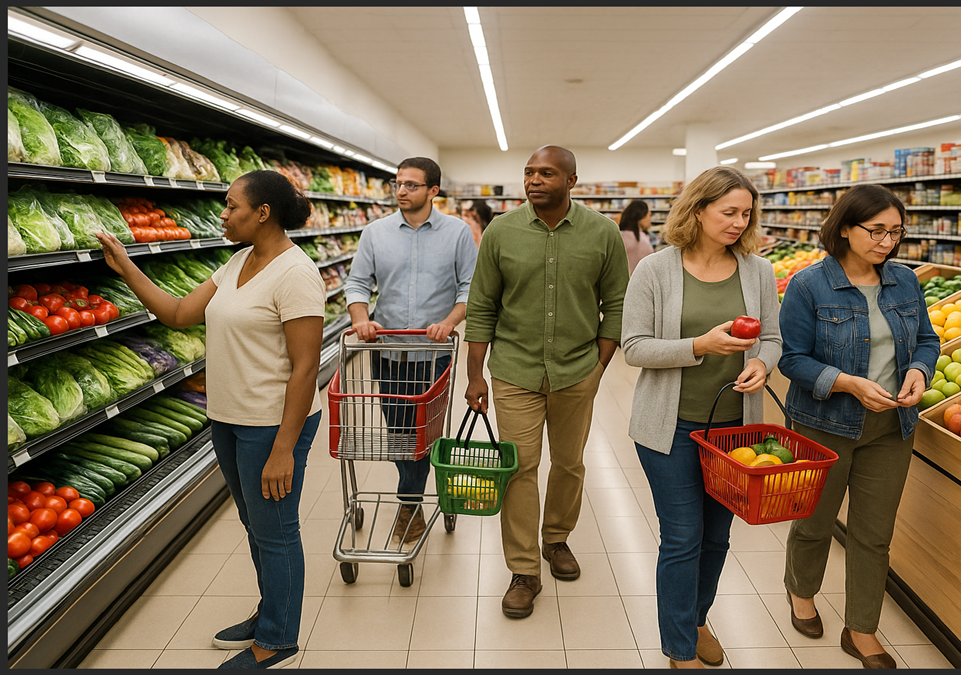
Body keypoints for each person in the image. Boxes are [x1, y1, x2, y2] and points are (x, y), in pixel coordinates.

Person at [95, 170, 325, 670]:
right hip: (228, 417)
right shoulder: (237, 261)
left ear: (262, 213)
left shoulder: (297, 274)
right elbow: (178, 314)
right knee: (255, 524)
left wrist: (284, 448)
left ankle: (278, 638)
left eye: (231, 206)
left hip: (271, 425)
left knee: (276, 529)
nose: (223, 214)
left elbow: (306, 367)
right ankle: (271, 610)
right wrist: (128, 268)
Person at [621, 166, 782, 669]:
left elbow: (773, 339)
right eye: (728, 212)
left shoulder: (757, 271)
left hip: (735, 432)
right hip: (670, 429)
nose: (739, 222)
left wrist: (760, 362)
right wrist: (700, 345)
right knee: (683, 536)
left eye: (746, 213)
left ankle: (696, 618)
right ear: (697, 210)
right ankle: (679, 649)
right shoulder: (655, 269)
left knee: (717, 536)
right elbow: (634, 347)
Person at [775, 184, 940, 669]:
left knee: (874, 533)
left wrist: (918, 371)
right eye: (876, 230)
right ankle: (800, 593)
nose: (887, 241)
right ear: (845, 228)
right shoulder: (809, 285)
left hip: (891, 427)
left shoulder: (905, 281)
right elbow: (792, 360)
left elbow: (927, 339)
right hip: (823, 423)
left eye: (895, 231)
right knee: (815, 521)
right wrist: (846, 382)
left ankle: (861, 628)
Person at [464, 144, 629, 619]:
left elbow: (616, 304)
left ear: (572, 181)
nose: (534, 180)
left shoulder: (602, 234)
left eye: (547, 173)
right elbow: (482, 307)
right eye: (529, 172)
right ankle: (523, 570)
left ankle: (556, 539)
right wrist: (475, 375)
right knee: (519, 467)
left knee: (570, 462)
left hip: (577, 369)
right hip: (514, 369)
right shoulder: (501, 231)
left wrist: (598, 365)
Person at [343, 157, 477, 546]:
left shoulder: (457, 233)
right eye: (397, 184)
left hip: (434, 352)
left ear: (434, 190)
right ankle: (412, 499)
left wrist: (450, 321)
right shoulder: (375, 233)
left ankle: (409, 502)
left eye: (411, 185)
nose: (401, 191)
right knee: (399, 431)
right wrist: (361, 317)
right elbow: (357, 283)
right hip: (388, 351)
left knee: (426, 432)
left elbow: (469, 287)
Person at [618, 199, 654, 275]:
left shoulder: (618, 236)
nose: (650, 220)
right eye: (649, 215)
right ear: (641, 217)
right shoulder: (642, 240)